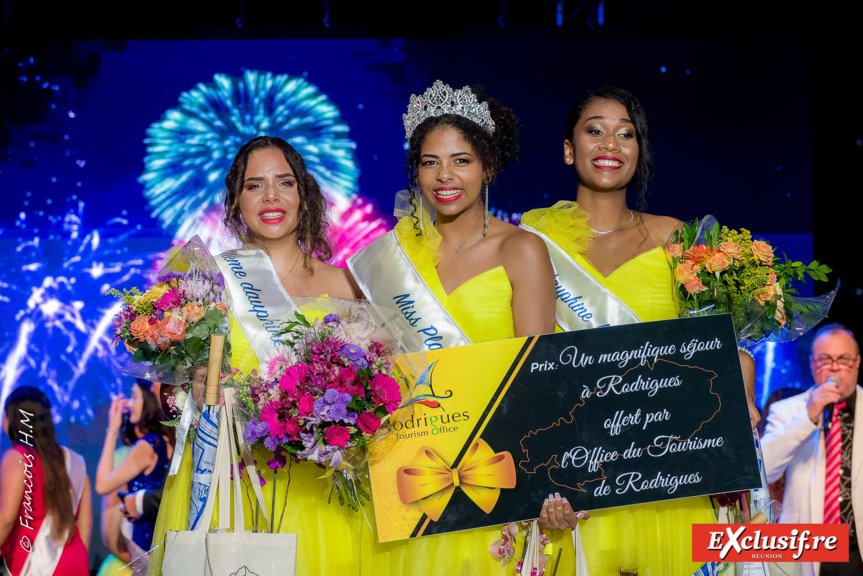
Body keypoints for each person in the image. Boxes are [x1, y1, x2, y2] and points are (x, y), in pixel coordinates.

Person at [520, 86, 741, 575]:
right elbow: (524, 363)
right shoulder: (532, 240)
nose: (610, 145)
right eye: (594, 131)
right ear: (567, 148)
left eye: (626, 134)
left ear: (640, 152)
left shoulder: (678, 238)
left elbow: (714, 350)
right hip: (577, 472)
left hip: (665, 467)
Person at [349, 80, 557, 574]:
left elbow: (541, 376)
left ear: (489, 166)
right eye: (429, 161)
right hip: (410, 472)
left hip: (493, 469)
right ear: (415, 170)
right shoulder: (390, 259)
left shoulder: (521, 250)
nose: (445, 176)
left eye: (461, 160)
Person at [148, 135, 363, 576]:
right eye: (254, 185)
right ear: (235, 200)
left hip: (314, 486)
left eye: (284, 183)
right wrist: (193, 387)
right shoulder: (206, 280)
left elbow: (368, 396)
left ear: (303, 195)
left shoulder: (346, 285)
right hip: (231, 479)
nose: (271, 197)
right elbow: (172, 394)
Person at [762, 323, 862, 575]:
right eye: (825, 359)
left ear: (857, 363)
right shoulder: (787, 411)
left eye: (844, 359)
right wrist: (806, 419)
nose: (835, 367)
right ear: (812, 364)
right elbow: (764, 472)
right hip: (809, 548)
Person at [0, 387, 91, 576]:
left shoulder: (18, 457)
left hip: (33, 564)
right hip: (75, 561)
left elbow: (6, 519)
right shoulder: (76, 460)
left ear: (12, 419)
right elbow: (84, 525)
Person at [96, 380, 174, 568]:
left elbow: (102, 486)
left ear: (150, 400)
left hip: (145, 552)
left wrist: (112, 428)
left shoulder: (147, 445)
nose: (128, 404)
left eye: (134, 397)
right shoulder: (168, 441)